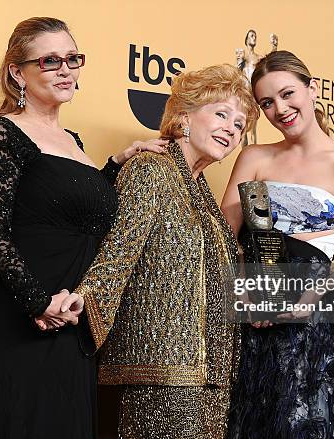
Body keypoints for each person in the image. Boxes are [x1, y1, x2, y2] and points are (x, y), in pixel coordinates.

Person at [0, 17, 166, 439]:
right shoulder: (2, 133)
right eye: (50, 60)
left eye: (72, 59)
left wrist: (118, 163)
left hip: (72, 316)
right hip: (20, 316)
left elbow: (74, 211)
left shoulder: (72, 139)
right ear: (18, 72)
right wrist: (38, 303)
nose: (66, 70)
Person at [74, 64, 260, 439]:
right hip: (157, 371)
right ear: (184, 116)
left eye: (239, 125)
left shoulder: (205, 195)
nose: (231, 129)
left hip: (211, 375)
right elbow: (118, 253)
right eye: (221, 114)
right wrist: (81, 305)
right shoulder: (151, 168)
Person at [221, 50, 334, 438]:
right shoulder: (254, 157)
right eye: (267, 103)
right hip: (255, 320)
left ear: (312, 89)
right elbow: (223, 239)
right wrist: (245, 296)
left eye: (287, 94)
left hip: (316, 320)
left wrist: (316, 292)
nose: (279, 109)